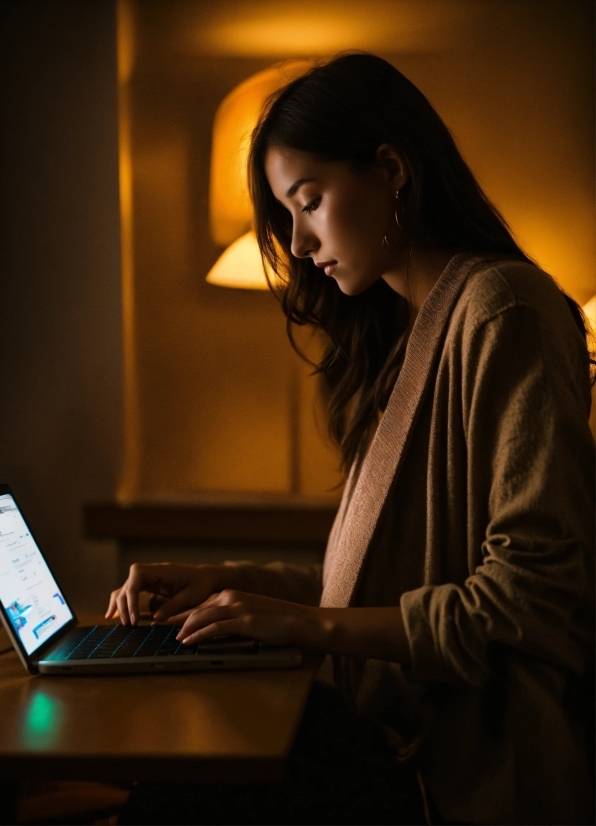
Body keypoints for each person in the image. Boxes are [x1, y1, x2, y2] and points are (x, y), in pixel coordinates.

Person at [109, 53, 595, 825]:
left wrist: (305, 625)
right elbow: (379, 591)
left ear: (392, 169)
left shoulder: (505, 312)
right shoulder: (404, 339)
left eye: (310, 201)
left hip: (459, 772)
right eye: (287, 215)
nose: (298, 244)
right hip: (389, 740)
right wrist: (229, 583)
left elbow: (527, 601)